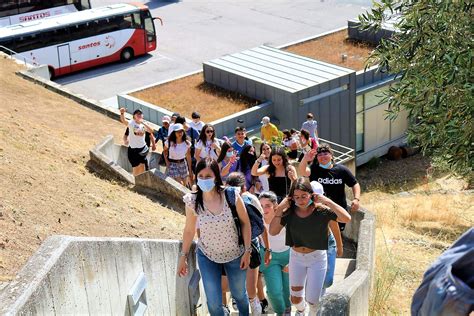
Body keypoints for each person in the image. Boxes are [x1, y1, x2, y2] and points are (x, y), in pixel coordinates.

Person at [178, 159, 252, 316]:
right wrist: (182, 256)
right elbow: (189, 230)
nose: (204, 180)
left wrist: (247, 250)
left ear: (217, 177)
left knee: (239, 295)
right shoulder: (192, 201)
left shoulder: (231, 195)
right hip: (207, 256)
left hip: (235, 255)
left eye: (208, 176)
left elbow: (245, 223)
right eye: (201, 176)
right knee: (213, 304)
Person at [269, 177, 351, 315]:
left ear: (311, 195)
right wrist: (280, 209)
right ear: (291, 198)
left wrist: (327, 201)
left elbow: (346, 218)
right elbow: (273, 231)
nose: (300, 200)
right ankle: (302, 311)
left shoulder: (321, 210)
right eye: (296, 197)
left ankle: (312, 312)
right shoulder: (289, 212)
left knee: (313, 300)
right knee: (295, 299)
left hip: (317, 258)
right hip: (296, 258)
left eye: (304, 196)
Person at [226, 172, 270, 316]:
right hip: (232, 248)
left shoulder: (250, 199)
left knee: (251, 290)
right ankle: (243, 303)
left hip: (251, 246)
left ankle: (256, 307)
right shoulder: (224, 200)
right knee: (241, 288)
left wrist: (267, 248)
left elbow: (260, 224)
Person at [299, 143, 361, 231]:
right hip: (319, 210)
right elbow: (302, 171)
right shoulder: (314, 169)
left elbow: (355, 184)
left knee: (337, 235)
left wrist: (356, 199)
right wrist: (305, 158)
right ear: (317, 157)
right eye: (319, 154)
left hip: (338, 209)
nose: (322, 156)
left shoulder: (342, 170)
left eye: (325, 154)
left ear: (331, 155)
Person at [258, 191, 291, 316]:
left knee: (287, 288)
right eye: (261, 206)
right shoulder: (257, 220)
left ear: (275, 206)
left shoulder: (284, 218)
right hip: (269, 258)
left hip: (288, 256)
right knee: (274, 291)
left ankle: (288, 308)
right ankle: (280, 312)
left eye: (267, 205)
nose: (264, 209)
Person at [310, 181, 344, 295]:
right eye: (314, 197)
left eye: (319, 197)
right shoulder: (301, 209)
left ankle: (321, 293)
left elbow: (335, 227)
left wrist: (339, 246)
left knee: (327, 280)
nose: (316, 201)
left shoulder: (325, 210)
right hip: (310, 245)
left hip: (328, 243)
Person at [119, 108, 155, 176]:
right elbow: (123, 120)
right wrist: (122, 113)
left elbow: (151, 131)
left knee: (142, 167)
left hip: (142, 149)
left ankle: (140, 181)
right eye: (137, 114)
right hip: (133, 150)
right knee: (135, 168)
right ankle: (135, 181)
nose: (139, 115)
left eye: (140, 114)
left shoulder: (143, 125)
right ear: (134, 116)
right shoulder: (132, 123)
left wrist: (143, 122)